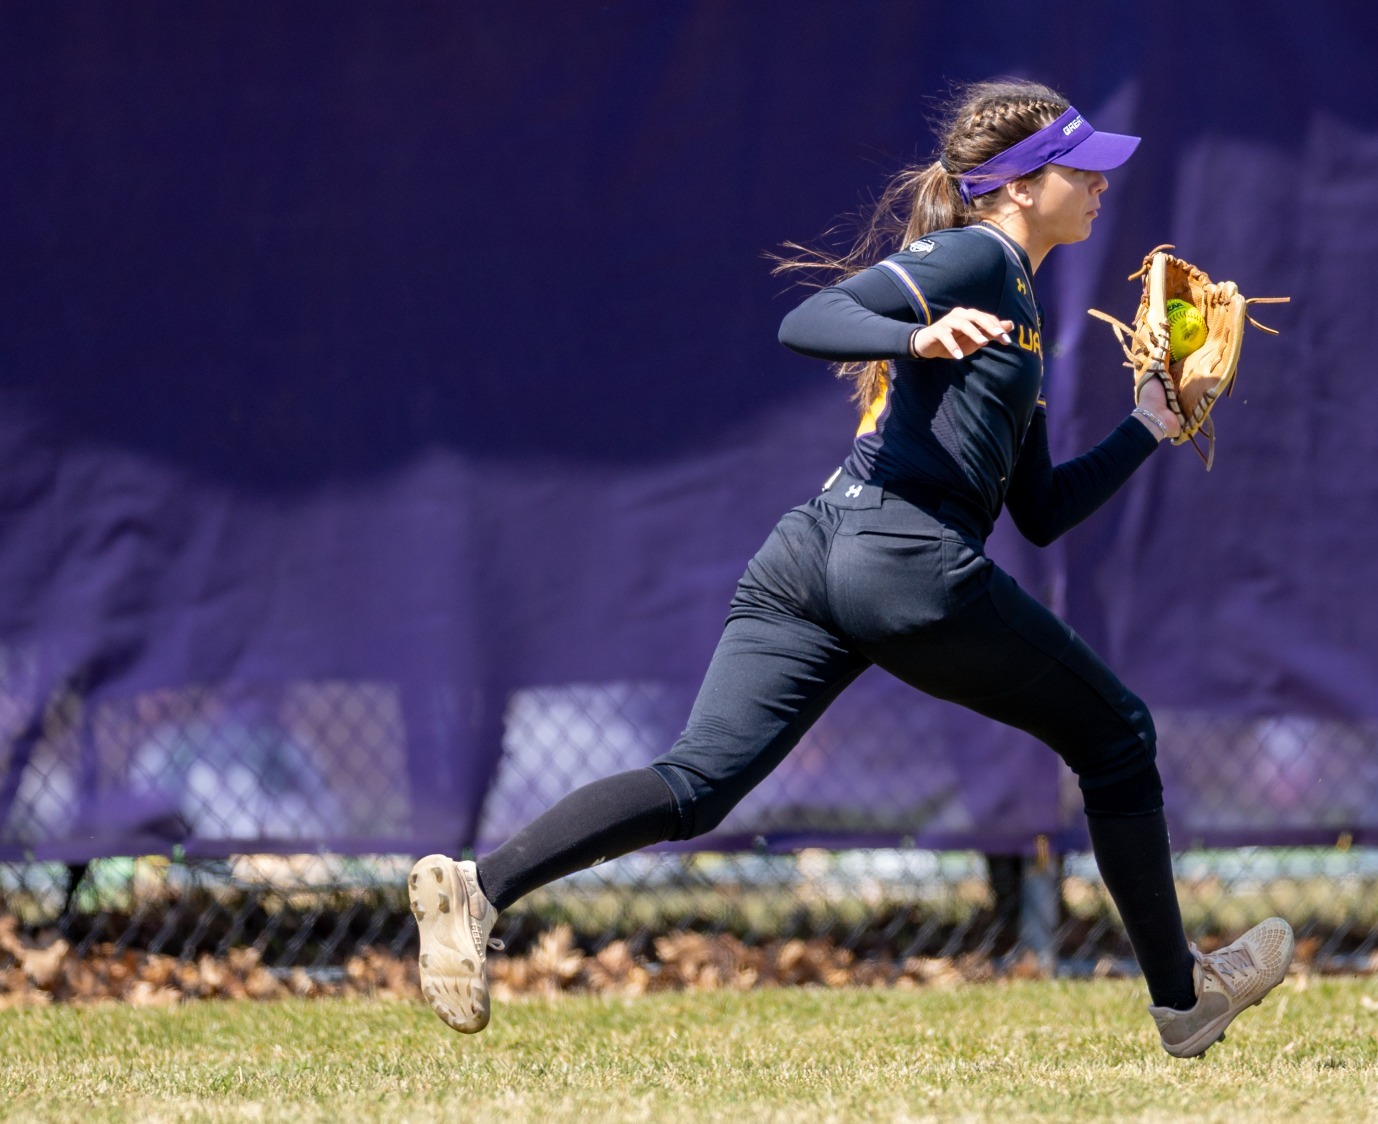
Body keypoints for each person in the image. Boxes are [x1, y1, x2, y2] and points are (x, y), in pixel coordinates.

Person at [408, 78, 1293, 1059]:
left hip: (812, 553)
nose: (1096, 183)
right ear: (1014, 186)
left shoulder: (1017, 309)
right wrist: (912, 332)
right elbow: (813, 320)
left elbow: (1037, 514)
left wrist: (1146, 426)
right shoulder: (973, 256)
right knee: (1118, 733)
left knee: (696, 781)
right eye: (1076, 168)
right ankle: (1183, 998)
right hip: (898, 559)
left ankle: (475, 889)